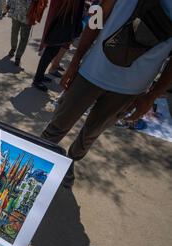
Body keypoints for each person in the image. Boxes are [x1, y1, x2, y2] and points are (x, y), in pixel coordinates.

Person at [41, 0, 172, 187]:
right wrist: (75, 62)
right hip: (92, 73)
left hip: (131, 89)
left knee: (90, 134)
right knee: (58, 125)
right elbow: (96, 19)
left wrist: (152, 95)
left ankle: (69, 161)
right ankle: (36, 159)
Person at [32, 0, 85, 91]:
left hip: (64, 23)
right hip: (61, 23)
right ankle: (37, 79)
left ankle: (40, 76)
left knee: (52, 52)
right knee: (49, 53)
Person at [7, 0, 32, 67]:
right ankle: (17, 55)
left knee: (15, 33)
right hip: (25, 16)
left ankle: (14, 51)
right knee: (22, 37)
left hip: (21, 14)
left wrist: (8, 5)